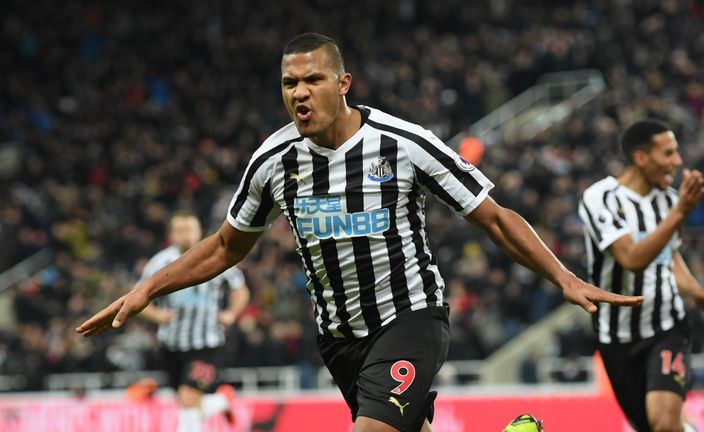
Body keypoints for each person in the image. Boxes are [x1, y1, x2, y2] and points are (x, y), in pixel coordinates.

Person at [77, 33, 642, 432]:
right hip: (339, 337)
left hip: (410, 318)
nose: (300, 93)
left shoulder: (404, 143)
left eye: (313, 79)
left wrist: (563, 278)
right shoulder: (273, 161)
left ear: (343, 82)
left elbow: (492, 216)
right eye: (289, 83)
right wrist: (149, 288)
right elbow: (227, 246)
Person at [578, 119, 704, 432]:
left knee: (662, 422)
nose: (678, 161)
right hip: (616, 336)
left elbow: (668, 256)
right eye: (668, 153)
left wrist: (696, 291)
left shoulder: (670, 201)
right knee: (652, 427)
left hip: (666, 327)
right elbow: (632, 258)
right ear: (641, 157)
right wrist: (680, 213)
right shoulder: (600, 198)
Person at [139, 211, 250, 432]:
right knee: (187, 404)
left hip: (206, 344)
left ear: (199, 231)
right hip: (170, 345)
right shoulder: (160, 262)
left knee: (188, 400)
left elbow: (240, 290)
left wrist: (231, 313)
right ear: (171, 235)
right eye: (180, 230)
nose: (186, 235)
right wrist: (157, 316)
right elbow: (138, 298)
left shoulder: (214, 257)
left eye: (189, 229)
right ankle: (222, 401)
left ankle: (220, 402)